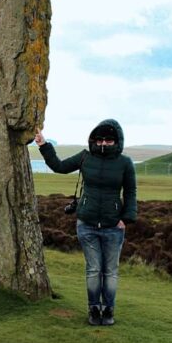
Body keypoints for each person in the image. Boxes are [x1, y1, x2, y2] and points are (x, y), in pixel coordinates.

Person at [34, 119, 137, 326]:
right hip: (87, 224)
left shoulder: (125, 163)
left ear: (117, 141)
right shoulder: (85, 157)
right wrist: (43, 145)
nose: (104, 143)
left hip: (113, 227)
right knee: (93, 269)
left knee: (110, 271)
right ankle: (93, 310)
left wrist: (126, 219)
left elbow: (131, 192)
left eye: (109, 140)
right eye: (100, 139)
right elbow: (59, 166)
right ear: (93, 139)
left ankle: (108, 310)